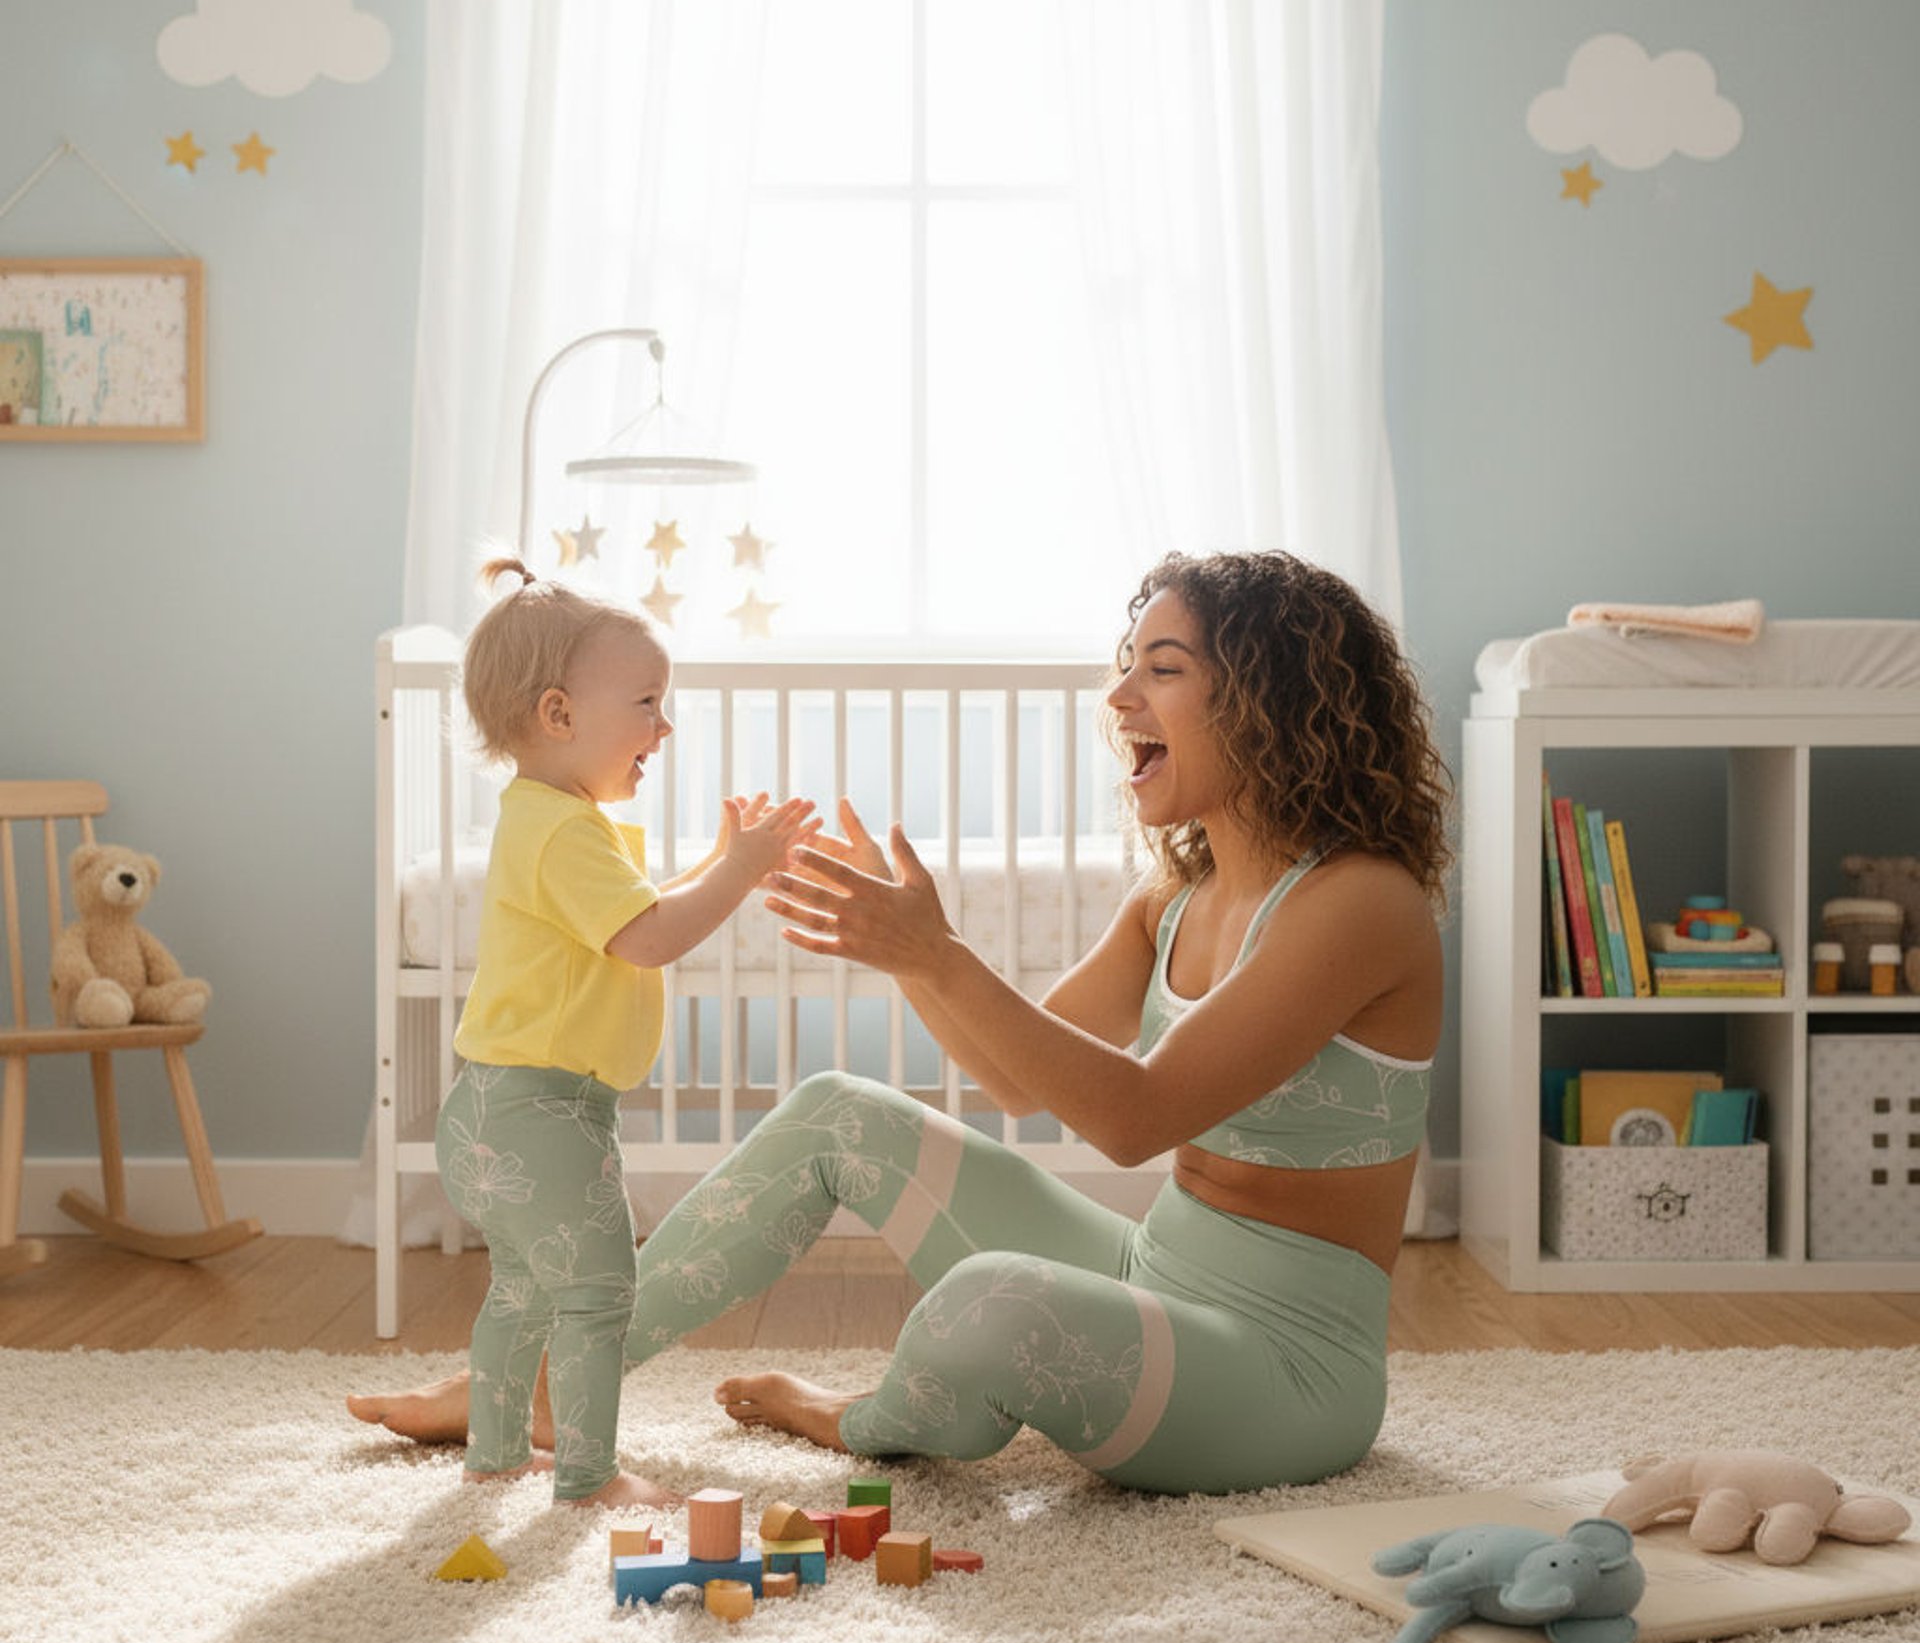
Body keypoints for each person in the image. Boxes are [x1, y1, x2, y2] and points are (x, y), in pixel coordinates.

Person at [350, 548, 1449, 1495]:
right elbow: (1020, 1082)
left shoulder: (1362, 904)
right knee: (839, 1113)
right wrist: (907, 953)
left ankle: (860, 1422)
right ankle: (543, 1391)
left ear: (1275, 702)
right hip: (1153, 1270)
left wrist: (937, 953)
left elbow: (1133, 1115)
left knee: (996, 1304)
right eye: (1126, 668)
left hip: (1286, 1366)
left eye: (1162, 673)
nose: (1119, 699)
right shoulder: (1173, 899)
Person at [415, 557, 815, 1510]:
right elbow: (651, 935)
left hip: (490, 1107)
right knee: (600, 1296)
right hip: (544, 1114)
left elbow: (633, 914)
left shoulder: (546, 820)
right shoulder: (565, 833)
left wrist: (726, 862)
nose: (663, 728)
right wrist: (742, 867)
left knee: (520, 1292)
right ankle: (588, 1477)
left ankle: (498, 1454)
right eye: (646, 703)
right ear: (559, 715)